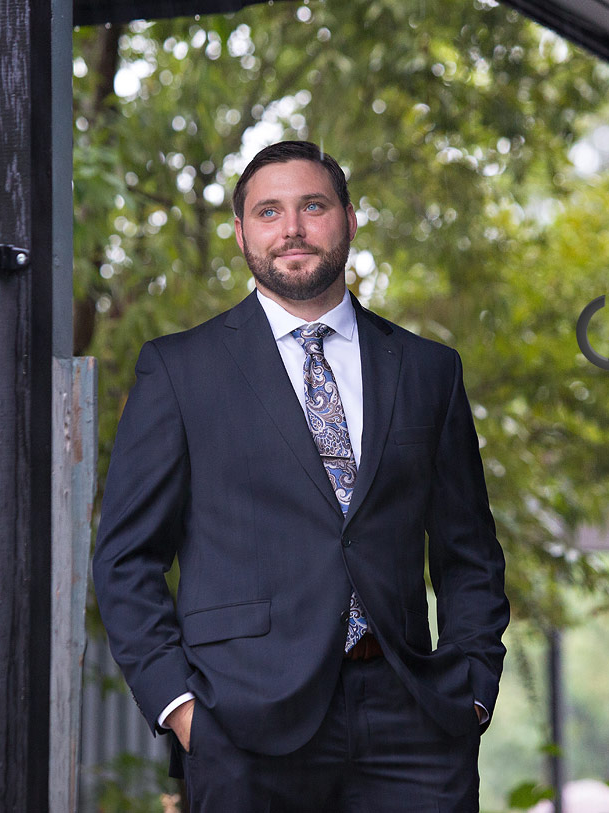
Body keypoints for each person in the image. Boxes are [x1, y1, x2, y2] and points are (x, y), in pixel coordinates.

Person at [92, 140, 509, 812]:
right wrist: (182, 708)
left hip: (415, 724)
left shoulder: (429, 371)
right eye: (268, 212)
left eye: (312, 206)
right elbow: (125, 559)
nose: (291, 228)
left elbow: (470, 554)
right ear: (240, 233)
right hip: (243, 726)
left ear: (347, 218)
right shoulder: (178, 370)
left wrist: (472, 690)